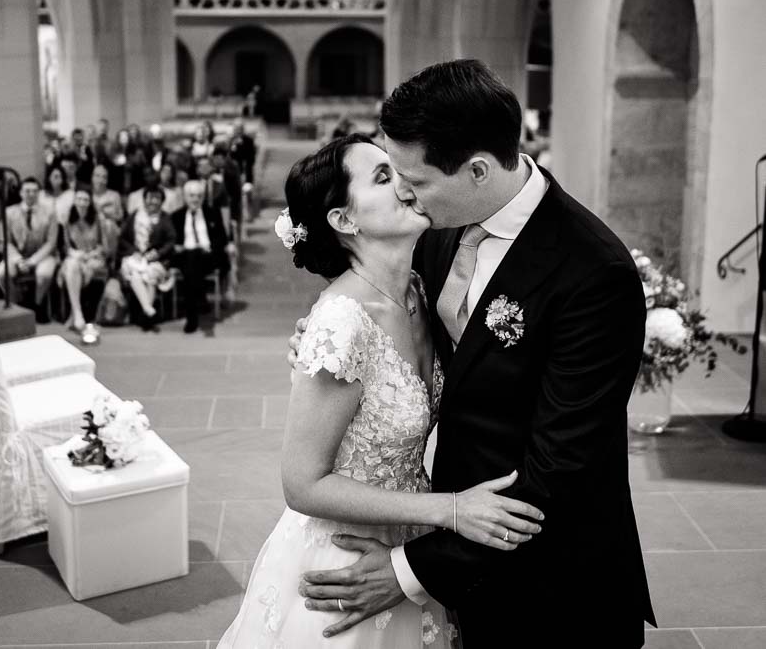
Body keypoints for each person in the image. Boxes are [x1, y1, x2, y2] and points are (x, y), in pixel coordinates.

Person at [293, 61, 655, 648]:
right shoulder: (437, 222)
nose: (405, 193)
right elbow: (416, 339)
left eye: (415, 179)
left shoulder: (593, 272)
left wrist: (410, 570)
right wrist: (337, 351)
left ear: (477, 170)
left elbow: (558, 469)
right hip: (456, 535)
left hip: (550, 575)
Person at [218, 135, 543, 647]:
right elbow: (301, 485)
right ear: (346, 222)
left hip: (412, 544)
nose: (406, 183)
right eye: (383, 177)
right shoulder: (341, 323)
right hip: (344, 553)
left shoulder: (420, 288)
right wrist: (450, 508)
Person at [0, 176, 59, 319]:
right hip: (17, 255)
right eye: (27, 191)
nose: (31, 194)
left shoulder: (50, 212)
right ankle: (18, 303)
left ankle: (36, 304)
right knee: (1, 274)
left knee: (44, 274)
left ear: (39, 193)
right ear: (21, 193)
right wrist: (18, 260)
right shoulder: (10, 212)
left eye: (35, 191)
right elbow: (5, 241)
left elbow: (51, 242)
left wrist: (32, 261)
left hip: (42, 255)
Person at [171, 179, 229, 334]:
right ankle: (199, 301)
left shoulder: (212, 213)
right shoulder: (176, 216)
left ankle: (192, 317)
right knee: (191, 257)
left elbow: (222, 238)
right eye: (191, 195)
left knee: (194, 260)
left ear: (203, 197)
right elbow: (172, 241)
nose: (195, 199)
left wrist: (209, 248)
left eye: (198, 196)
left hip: (208, 257)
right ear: (185, 197)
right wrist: (178, 247)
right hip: (185, 257)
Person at [118, 185, 176, 331]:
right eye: (150, 197)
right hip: (135, 257)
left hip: (156, 259)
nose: (153, 201)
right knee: (135, 273)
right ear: (144, 199)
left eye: (157, 198)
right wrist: (134, 251)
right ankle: (148, 310)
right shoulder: (135, 216)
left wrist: (157, 253)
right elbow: (123, 239)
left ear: (162, 201)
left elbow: (171, 241)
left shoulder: (165, 218)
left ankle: (146, 314)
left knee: (150, 274)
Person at [58, 184, 107, 334]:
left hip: (94, 258)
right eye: (79, 199)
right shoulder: (67, 218)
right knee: (72, 265)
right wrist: (76, 255)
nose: (82, 202)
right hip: (75, 258)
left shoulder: (98, 218)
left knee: (77, 267)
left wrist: (88, 255)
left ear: (90, 201)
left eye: (85, 199)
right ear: (74, 200)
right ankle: (79, 315)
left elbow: (104, 246)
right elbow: (65, 247)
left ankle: (75, 315)